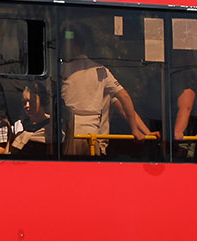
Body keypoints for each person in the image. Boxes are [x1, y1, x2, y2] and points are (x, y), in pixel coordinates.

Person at [60, 24, 150, 155]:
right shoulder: (101, 72)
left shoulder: (61, 70)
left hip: (68, 136)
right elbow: (123, 98)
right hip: (92, 136)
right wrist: (136, 130)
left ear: (74, 46)